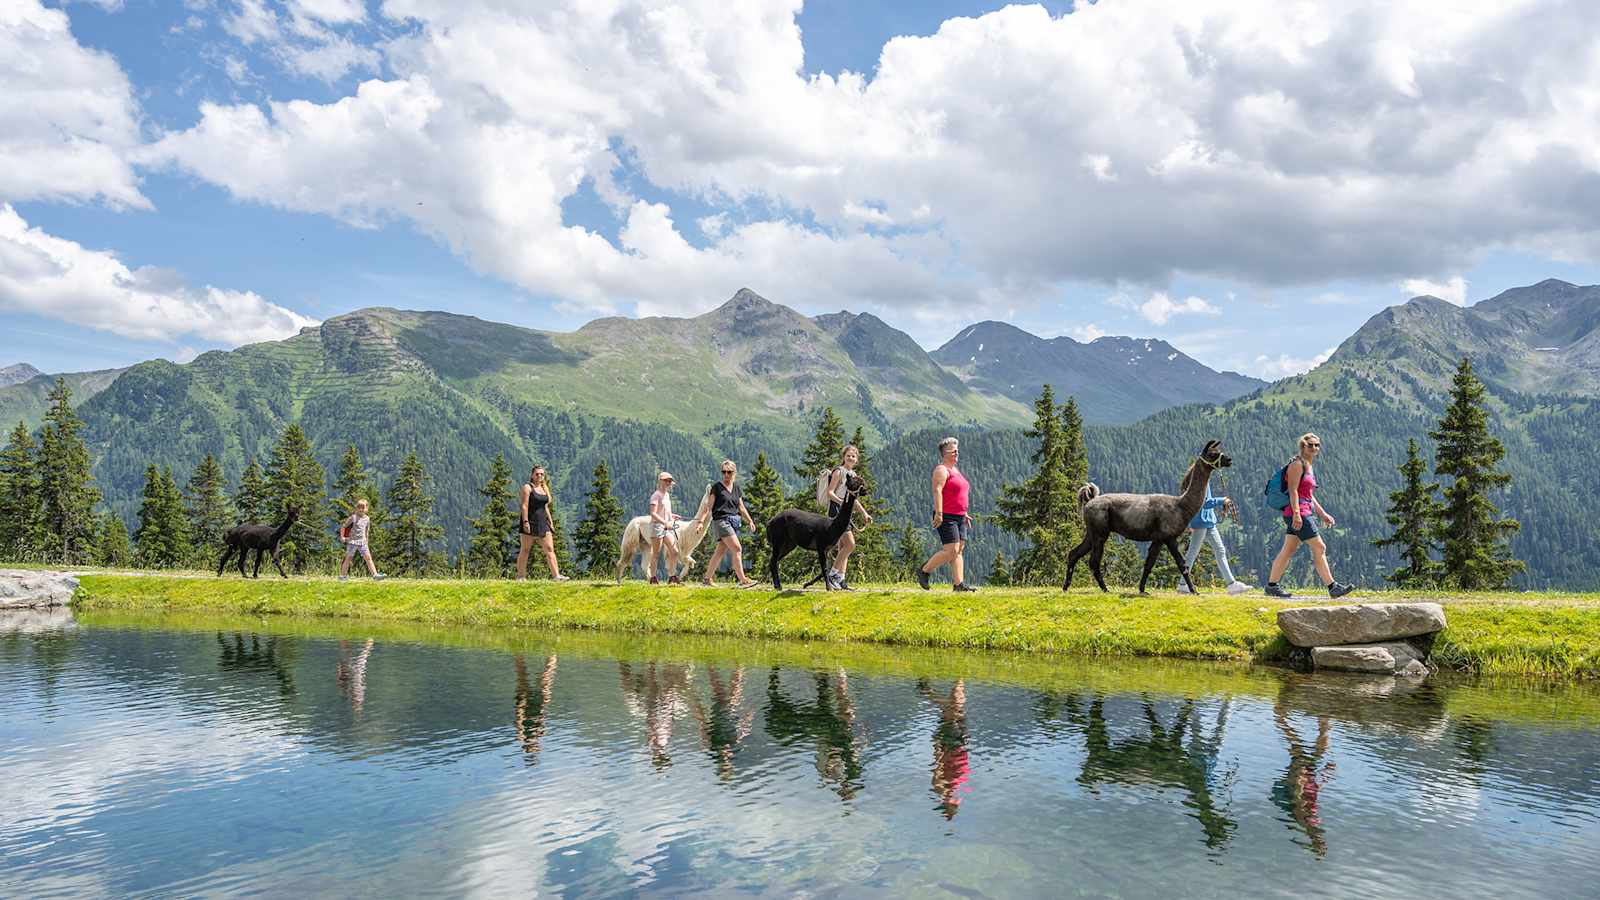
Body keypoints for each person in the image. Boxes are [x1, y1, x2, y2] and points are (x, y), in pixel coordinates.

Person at [1266, 433, 1354, 599]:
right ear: (1303, 447)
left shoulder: (1309, 466)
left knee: (1288, 549)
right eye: (1310, 445)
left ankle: (1271, 586)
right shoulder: (1297, 465)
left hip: (1304, 511)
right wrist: (1297, 515)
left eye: (1317, 445)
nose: (1314, 448)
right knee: (1320, 547)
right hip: (1297, 513)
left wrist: (1322, 514)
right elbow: (1292, 491)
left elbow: (1308, 495)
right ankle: (1333, 587)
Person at [919, 436, 976, 592]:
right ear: (945, 453)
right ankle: (924, 570)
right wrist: (939, 513)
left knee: (958, 550)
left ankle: (959, 584)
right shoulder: (941, 470)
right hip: (947, 515)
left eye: (957, 449)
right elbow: (937, 490)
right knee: (950, 550)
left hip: (960, 516)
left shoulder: (955, 470)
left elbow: (958, 494)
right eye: (953, 450)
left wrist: (965, 513)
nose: (957, 452)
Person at [1177, 481, 1252, 594]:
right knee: (1193, 553)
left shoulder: (1200, 479)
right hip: (1201, 521)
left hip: (1208, 521)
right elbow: (1205, 502)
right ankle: (1183, 584)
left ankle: (1231, 584)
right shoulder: (1200, 481)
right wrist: (1222, 500)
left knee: (1219, 550)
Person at [702, 460, 759, 588]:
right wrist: (701, 521)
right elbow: (708, 507)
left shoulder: (736, 488)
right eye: (724, 472)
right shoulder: (716, 487)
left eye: (729, 472)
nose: (726, 474)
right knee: (737, 548)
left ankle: (707, 579)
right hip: (721, 521)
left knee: (720, 551)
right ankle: (743, 579)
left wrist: (750, 521)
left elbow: (741, 507)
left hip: (734, 521)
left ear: (734, 472)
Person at [823, 445, 874, 590]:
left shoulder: (853, 474)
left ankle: (841, 579)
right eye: (848, 455)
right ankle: (832, 575)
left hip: (845, 511)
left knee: (843, 547)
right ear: (843, 457)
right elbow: (830, 492)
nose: (851, 458)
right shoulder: (839, 472)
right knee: (850, 544)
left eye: (853, 456)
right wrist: (842, 503)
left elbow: (853, 498)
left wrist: (864, 513)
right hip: (836, 510)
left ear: (857, 460)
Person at [517, 465, 569, 581]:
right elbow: (524, 506)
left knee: (550, 549)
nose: (540, 476)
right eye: (537, 474)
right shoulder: (527, 487)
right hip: (530, 521)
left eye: (542, 474)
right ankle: (521, 577)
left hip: (542, 523)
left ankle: (557, 576)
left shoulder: (544, 489)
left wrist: (550, 521)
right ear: (532, 475)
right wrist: (525, 522)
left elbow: (545, 507)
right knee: (525, 550)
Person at [645, 471, 682, 585]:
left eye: (670, 481)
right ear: (660, 481)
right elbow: (653, 513)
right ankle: (653, 578)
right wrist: (666, 522)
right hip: (657, 526)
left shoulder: (666, 495)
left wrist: (672, 516)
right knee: (656, 553)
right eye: (666, 480)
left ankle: (672, 577)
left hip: (665, 527)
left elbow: (665, 511)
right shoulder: (656, 495)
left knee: (674, 551)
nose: (668, 482)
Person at [338, 498, 384, 581]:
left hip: (362, 542)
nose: (361, 509)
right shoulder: (353, 518)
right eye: (359, 507)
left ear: (366, 509)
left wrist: (366, 540)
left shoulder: (367, 519)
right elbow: (343, 526)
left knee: (368, 558)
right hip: (352, 542)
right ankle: (342, 576)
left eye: (363, 507)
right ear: (356, 508)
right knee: (348, 558)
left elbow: (367, 530)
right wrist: (342, 537)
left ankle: (375, 575)